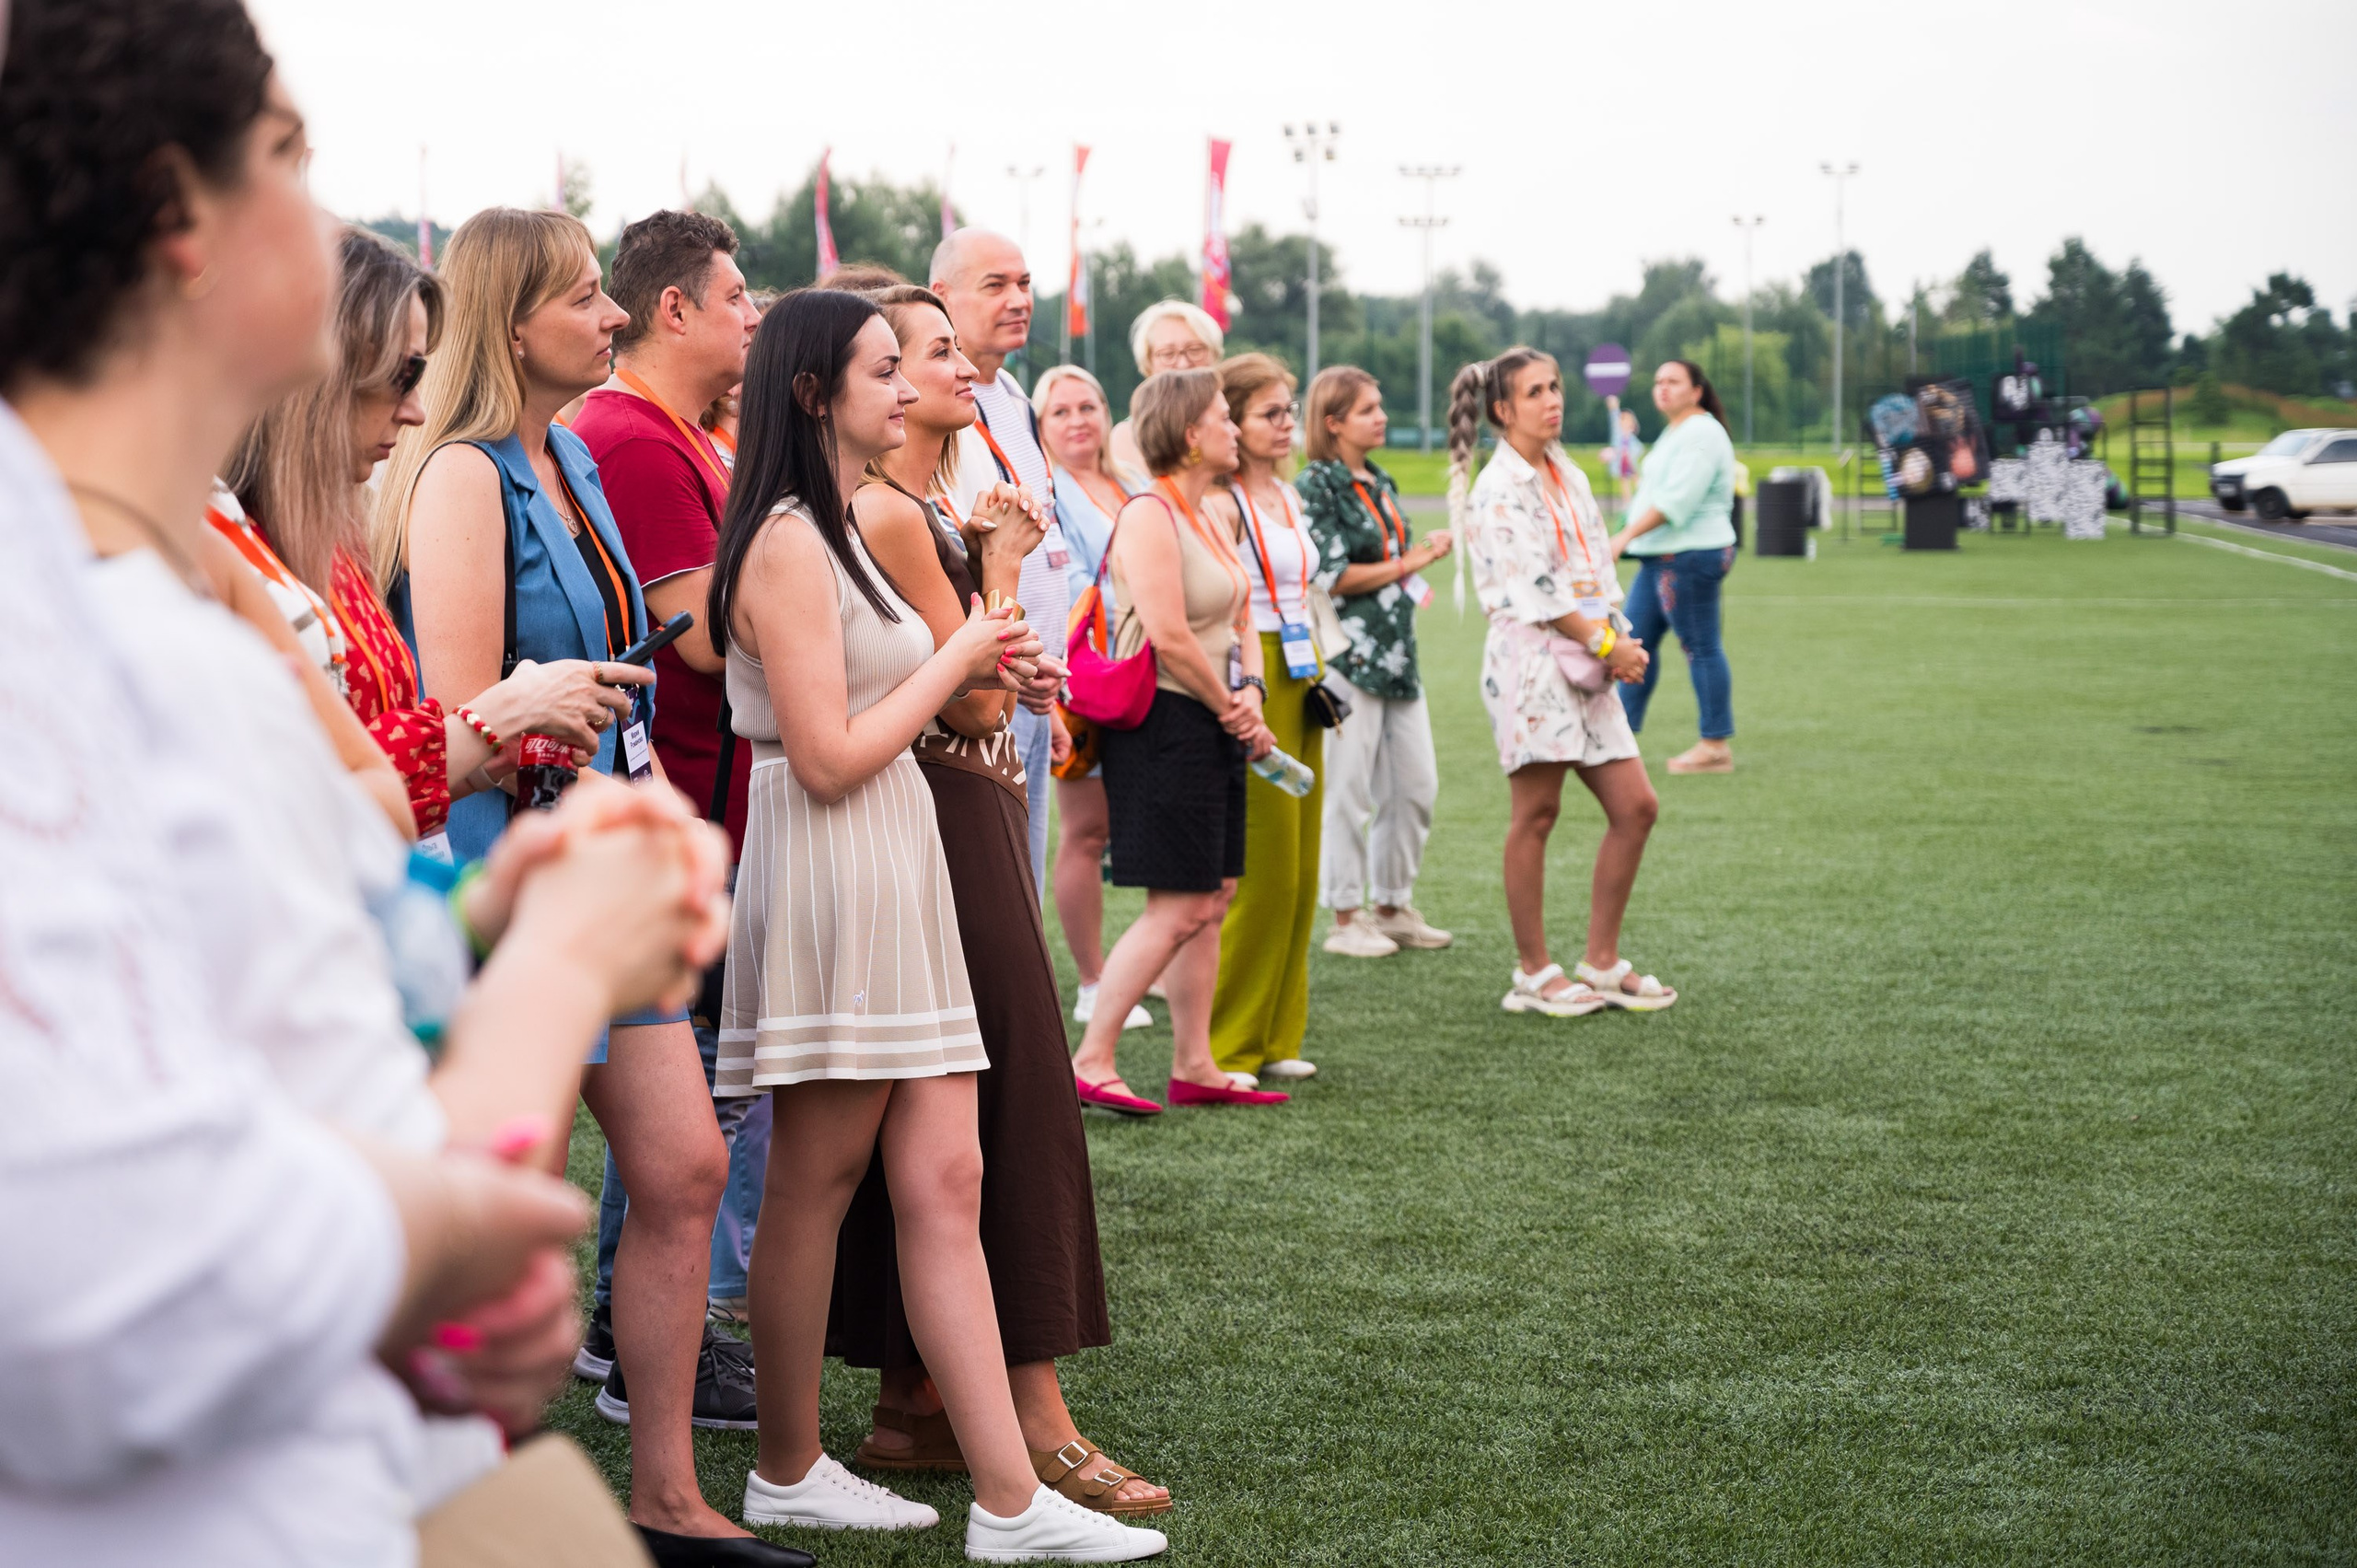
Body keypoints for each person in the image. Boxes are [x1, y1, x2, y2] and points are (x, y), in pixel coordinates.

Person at [0, 8, 732, 1566]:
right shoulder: (65, 613)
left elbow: (218, 1036)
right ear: (176, 215)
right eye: (290, 159)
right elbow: (111, 1306)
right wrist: (547, 984)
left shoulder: (148, 572)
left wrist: (466, 914)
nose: (333, 228)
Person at [709, 287, 1166, 1562]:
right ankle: (789, 1465)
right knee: (817, 1173)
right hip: (839, 862)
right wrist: (972, 635)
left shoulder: (848, 530)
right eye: (879, 370)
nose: (907, 389)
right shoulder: (795, 539)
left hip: (900, 856)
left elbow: (916, 708)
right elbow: (835, 752)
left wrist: (970, 647)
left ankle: (1013, 1500)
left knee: (946, 1175)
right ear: (816, 392)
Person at [377, 206, 757, 1551]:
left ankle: (668, 1498)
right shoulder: (463, 475)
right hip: (509, 881)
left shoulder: (576, 460)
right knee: (497, 1215)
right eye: (589, 297)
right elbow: (460, 717)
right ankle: (451, 1503)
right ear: (513, 316)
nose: (611, 319)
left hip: (592, 863)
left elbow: (647, 645)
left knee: (685, 1165)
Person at [839, 285, 1168, 1516]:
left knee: (959, 1111)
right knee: (1015, 1094)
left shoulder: (922, 501)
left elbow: (984, 672)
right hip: (941, 810)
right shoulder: (891, 512)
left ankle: (912, 1401)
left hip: (965, 802)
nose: (958, 365)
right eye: (927, 353)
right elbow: (973, 692)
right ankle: (1033, 1413)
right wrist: (1003, 564)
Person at [225, 226, 637, 841]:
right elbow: (333, 784)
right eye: (399, 373)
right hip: (504, 850)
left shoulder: (569, 455)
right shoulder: (222, 544)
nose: (617, 315)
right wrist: (499, 720)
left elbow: (369, 756)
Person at [570, 208, 773, 1340]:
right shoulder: (637, 436)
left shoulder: (683, 433)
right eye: (736, 297)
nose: (753, 315)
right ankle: (632, 1324)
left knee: (701, 1088)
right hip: (685, 799)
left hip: (708, 793)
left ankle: (651, 1319)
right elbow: (698, 634)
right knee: (680, 1092)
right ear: (675, 308)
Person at [1066, 369, 1285, 1116]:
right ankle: (1092, 1057)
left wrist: (1249, 694)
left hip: (1213, 715)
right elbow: (1167, 634)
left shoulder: (1213, 512)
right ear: (1191, 433)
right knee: (1178, 904)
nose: (1235, 428)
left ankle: (1196, 1063)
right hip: (1166, 722)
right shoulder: (1150, 514)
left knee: (1213, 897)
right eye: (1224, 418)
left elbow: (1244, 616)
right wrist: (1235, 707)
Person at [1451, 348, 1681, 1018]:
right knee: (1537, 813)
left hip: (1590, 654)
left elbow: (1594, 567)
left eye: (1554, 387)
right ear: (1503, 409)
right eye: (1535, 392)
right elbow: (1538, 593)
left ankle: (1601, 963)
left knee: (1636, 806)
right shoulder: (1497, 489)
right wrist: (1611, 645)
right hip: (1535, 664)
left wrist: (1617, 637)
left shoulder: (1567, 471)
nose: (1553, 400)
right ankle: (1534, 971)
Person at [1295, 366, 1454, 958]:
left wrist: (1415, 556)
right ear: (1333, 422)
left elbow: (1389, 559)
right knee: (1348, 791)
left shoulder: (1379, 479)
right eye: (1368, 409)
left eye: (1379, 405)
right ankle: (1345, 917)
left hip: (1398, 659)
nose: (1382, 416)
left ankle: (1392, 905)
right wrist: (1412, 562)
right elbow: (1328, 578)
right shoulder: (1319, 485)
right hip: (1345, 659)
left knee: (1416, 787)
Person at [930, 229, 1067, 898]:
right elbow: (961, 561)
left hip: (1034, 687)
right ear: (941, 297)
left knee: (1025, 886)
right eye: (996, 285)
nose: (1018, 300)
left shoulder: (1013, 395)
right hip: (980, 691)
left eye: (1024, 283)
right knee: (991, 898)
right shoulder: (935, 411)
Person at [1204, 354, 1324, 1085]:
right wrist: (1247, 680)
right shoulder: (1222, 502)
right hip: (1255, 666)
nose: (1286, 424)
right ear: (1234, 424)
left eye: (1290, 410)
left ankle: (1280, 1030)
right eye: (1269, 413)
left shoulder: (1288, 494)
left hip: (1305, 666)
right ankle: (1231, 1043)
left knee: (1304, 866)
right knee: (1265, 869)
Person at [1032, 363, 1153, 1030]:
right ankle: (1090, 978)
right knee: (1085, 831)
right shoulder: (1046, 489)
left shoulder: (1130, 482)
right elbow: (1071, 585)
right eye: (1061, 411)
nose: (1078, 420)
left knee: (1131, 823)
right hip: (1085, 680)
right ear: (1042, 427)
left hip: (1141, 672)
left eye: (1089, 405)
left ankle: (1140, 964)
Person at [1611, 358, 1739, 774]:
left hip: (1690, 556)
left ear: (1697, 390)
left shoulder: (1702, 432)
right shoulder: (1678, 431)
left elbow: (1676, 502)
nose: (1662, 388)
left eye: (1674, 381)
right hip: (1661, 557)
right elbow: (1652, 494)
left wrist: (1625, 537)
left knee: (1701, 646)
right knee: (1631, 644)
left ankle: (1715, 745)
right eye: (1658, 381)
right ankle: (1617, 739)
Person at [1108, 299, 1224, 474]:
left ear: (1214, 355)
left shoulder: (1235, 426)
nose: (1184, 364)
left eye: (1195, 349)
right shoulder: (1128, 437)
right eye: (1168, 354)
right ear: (1148, 364)